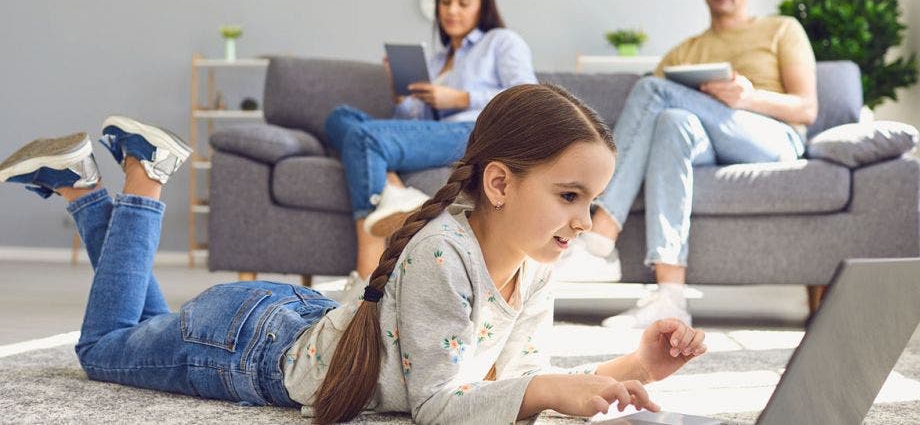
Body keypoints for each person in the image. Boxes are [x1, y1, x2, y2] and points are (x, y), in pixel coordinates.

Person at [0, 86, 706, 424]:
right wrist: (552, 390)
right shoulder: (443, 256)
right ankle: (143, 177)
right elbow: (439, 406)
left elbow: (510, 383)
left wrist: (637, 368)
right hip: (250, 348)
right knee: (106, 346)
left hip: (293, 322)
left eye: (591, 203)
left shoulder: (534, 262)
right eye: (570, 196)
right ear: (500, 183)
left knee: (138, 327)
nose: (585, 222)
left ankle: (79, 188)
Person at [563, 0, 817, 329]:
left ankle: (599, 239)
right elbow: (647, 116)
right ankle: (671, 296)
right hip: (706, 144)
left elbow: (806, 107)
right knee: (671, 123)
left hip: (772, 138)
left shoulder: (781, 29)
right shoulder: (686, 51)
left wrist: (748, 97)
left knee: (652, 89)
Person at [323, 0, 537, 303]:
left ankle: (367, 266)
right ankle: (393, 189)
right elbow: (416, 120)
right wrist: (402, 96)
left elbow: (527, 96)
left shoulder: (502, 43)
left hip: (476, 132)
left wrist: (461, 98)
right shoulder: (437, 61)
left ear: (482, 5)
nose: (452, 10)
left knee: (364, 137)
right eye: (445, 2)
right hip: (436, 132)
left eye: (463, 2)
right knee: (340, 117)